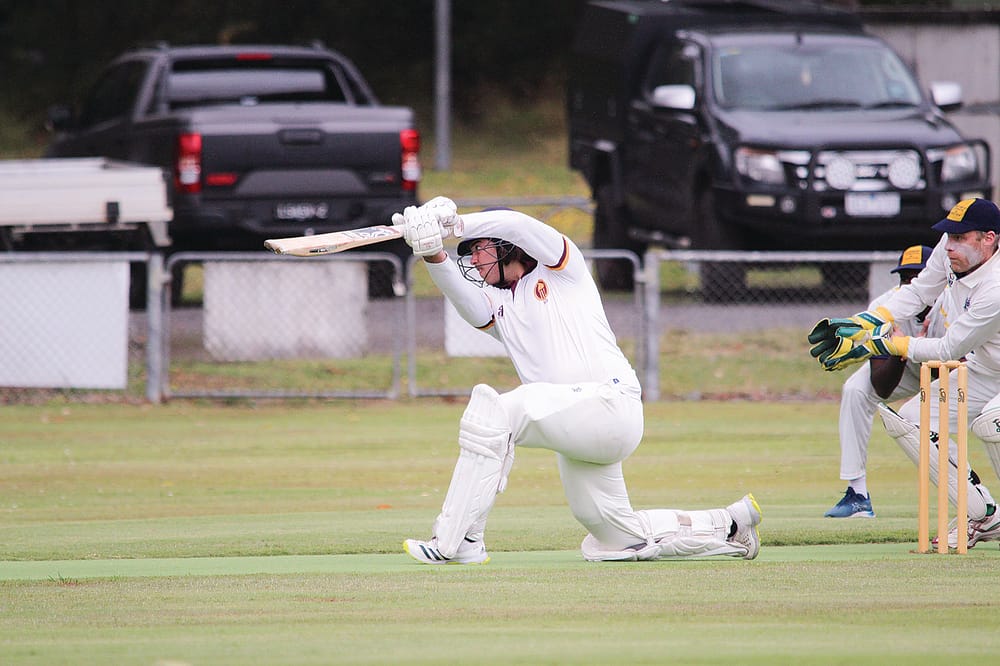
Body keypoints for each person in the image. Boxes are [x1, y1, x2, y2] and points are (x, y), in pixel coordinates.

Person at [391, 196, 762, 564]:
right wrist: (433, 253)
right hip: (583, 426)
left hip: (610, 403)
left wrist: (457, 225)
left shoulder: (562, 269)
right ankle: (730, 524)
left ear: (507, 247)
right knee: (613, 538)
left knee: (496, 411)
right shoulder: (497, 305)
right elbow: (463, 300)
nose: (472, 259)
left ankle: (460, 539)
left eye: (478, 249)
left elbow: (519, 225)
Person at [809, 198, 1000, 547]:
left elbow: (948, 349)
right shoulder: (948, 249)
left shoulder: (996, 286)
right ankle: (983, 514)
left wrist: (881, 345)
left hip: (980, 363)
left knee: (991, 424)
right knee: (914, 420)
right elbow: (918, 291)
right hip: (987, 368)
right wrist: (865, 323)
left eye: (961, 238)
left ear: (988, 239)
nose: (950, 246)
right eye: (950, 236)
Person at [824, 245, 938, 518]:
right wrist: (899, 350)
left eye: (918, 276)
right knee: (855, 390)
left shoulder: (950, 304)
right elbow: (881, 387)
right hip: (903, 365)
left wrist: (922, 347)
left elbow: (954, 365)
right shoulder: (884, 307)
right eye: (905, 278)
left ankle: (977, 501)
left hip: (948, 366)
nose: (911, 283)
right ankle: (858, 496)